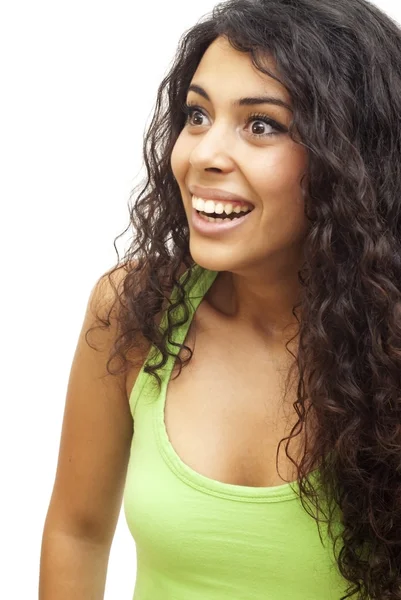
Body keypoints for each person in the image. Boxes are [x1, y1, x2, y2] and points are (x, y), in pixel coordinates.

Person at [39, 0, 401, 598]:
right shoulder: (134, 310)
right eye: (198, 115)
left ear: (353, 159)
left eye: (262, 125)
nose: (202, 154)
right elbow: (77, 533)